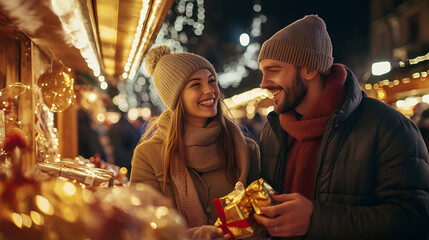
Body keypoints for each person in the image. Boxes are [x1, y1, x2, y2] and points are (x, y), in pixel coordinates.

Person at [253, 15, 429, 239]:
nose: (263, 83)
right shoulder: (273, 131)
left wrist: (315, 220)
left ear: (309, 69)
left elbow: (416, 222)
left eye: (274, 70)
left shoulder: (389, 127)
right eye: (262, 72)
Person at [130, 45, 261, 239]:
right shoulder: (149, 154)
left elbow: (260, 218)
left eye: (212, 81)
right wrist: (194, 236)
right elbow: (141, 226)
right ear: (176, 97)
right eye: (195, 85)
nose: (210, 90)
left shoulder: (245, 149)